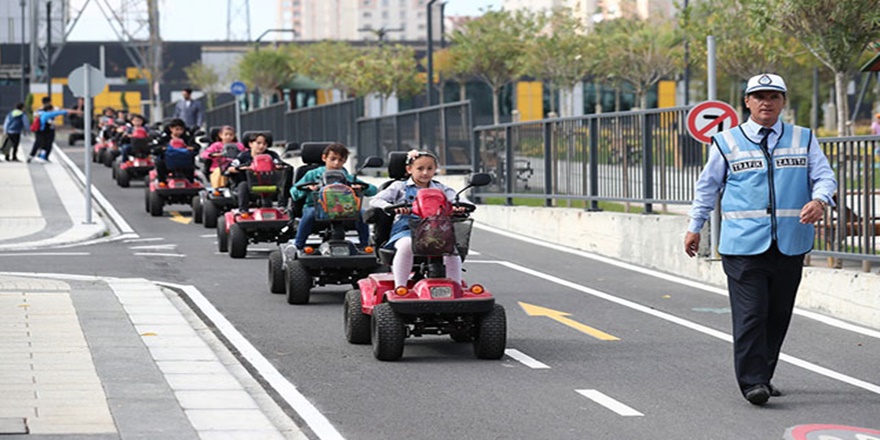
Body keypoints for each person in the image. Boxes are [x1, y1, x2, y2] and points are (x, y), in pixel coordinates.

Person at [683, 73, 837, 406]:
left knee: (778, 315)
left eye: (773, 96)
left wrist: (820, 200)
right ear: (747, 102)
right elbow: (707, 187)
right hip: (743, 247)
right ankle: (753, 382)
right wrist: (695, 226)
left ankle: (763, 376)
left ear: (783, 102)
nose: (766, 102)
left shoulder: (804, 138)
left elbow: (824, 176)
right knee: (752, 313)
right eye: (759, 96)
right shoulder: (726, 142)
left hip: (790, 243)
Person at [369, 150, 468, 289]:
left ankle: (455, 287)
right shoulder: (399, 187)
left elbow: (462, 200)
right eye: (420, 169)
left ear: (435, 169)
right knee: (406, 246)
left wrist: (459, 207)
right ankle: (400, 287)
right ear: (409, 169)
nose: (425, 173)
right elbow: (375, 200)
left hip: (436, 230)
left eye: (429, 168)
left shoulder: (441, 188)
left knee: (452, 251)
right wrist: (391, 207)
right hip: (407, 229)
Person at [290, 143, 378, 250]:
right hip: (318, 209)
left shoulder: (348, 177)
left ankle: (365, 245)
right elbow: (294, 192)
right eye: (333, 159)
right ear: (324, 158)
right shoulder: (312, 175)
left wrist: (362, 188)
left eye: (340, 160)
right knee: (309, 213)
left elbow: (373, 190)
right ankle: (298, 246)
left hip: (345, 210)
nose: (336, 163)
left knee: (361, 212)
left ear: (345, 161)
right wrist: (307, 188)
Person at [227, 132, 284, 219]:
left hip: (269, 185)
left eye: (264, 144)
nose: (261, 146)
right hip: (250, 187)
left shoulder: (271, 155)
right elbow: (230, 168)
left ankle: (282, 208)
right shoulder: (243, 156)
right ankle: (243, 210)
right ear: (250, 144)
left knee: (282, 184)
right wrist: (243, 168)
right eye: (258, 143)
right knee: (243, 185)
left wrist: (276, 166)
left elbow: (280, 164)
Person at [28, 97, 82, 163]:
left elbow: (35, 119)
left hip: (40, 130)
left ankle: (35, 156)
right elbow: (63, 111)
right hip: (46, 130)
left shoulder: (39, 111)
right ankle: (41, 157)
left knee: (41, 144)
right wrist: (77, 111)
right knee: (46, 144)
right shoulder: (50, 112)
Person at [152, 118, 197, 186]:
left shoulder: (187, 139)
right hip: (167, 162)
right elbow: (155, 149)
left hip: (184, 161)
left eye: (181, 129)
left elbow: (196, 147)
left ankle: (190, 181)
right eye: (177, 129)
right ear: (171, 129)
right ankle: (162, 181)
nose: (179, 132)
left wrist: (192, 148)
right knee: (159, 162)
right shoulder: (165, 139)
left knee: (192, 162)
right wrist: (162, 148)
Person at [199, 125, 246, 190]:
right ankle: (219, 188)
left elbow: (246, 152)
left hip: (234, 165)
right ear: (220, 135)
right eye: (226, 134)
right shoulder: (216, 145)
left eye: (231, 135)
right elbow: (204, 154)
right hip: (219, 167)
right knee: (219, 172)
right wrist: (214, 155)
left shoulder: (239, 145)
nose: (228, 137)